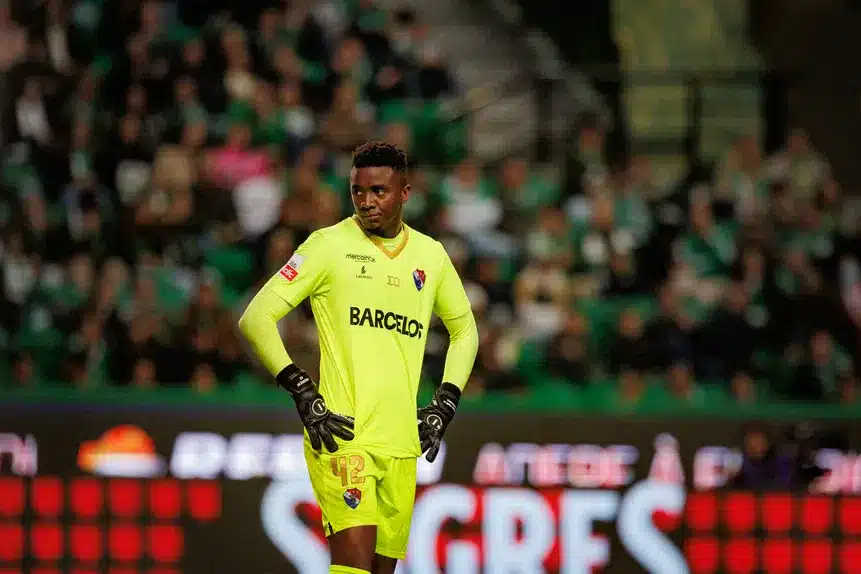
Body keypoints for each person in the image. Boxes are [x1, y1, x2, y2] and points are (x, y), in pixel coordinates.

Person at [238, 140, 478, 574]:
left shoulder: (431, 256)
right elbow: (256, 317)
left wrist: (446, 402)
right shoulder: (327, 246)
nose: (367, 202)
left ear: (405, 192)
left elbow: (465, 332)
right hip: (342, 431)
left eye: (379, 191)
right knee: (352, 565)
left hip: (402, 440)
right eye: (358, 191)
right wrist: (301, 389)